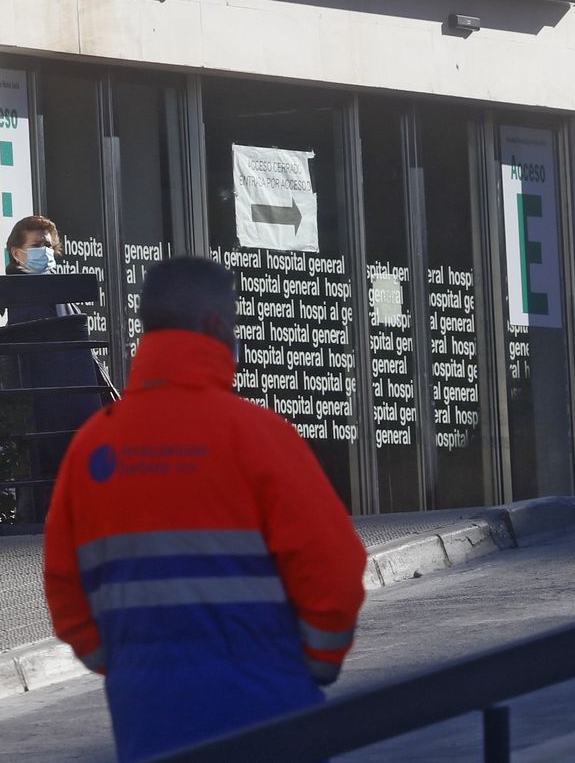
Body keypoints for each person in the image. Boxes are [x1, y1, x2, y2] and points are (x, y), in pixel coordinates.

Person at [43, 255, 366, 762]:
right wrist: (320, 660)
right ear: (217, 325)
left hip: (147, 719)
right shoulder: (257, 435)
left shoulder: (93, 445)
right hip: (270, 712)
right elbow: (334, 565)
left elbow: (63, 580)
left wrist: (123, 664)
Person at [2, 216, 115, 517]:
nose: (46, 251)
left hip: (70, 407)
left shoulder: (56, 290)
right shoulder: (23, 295)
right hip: (49, 411)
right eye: (38, 245)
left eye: (49, 246)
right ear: (17, 253)